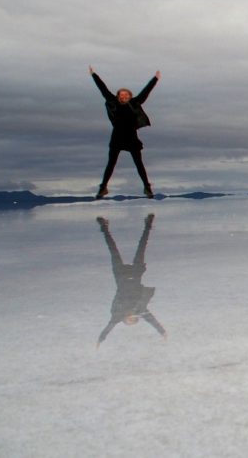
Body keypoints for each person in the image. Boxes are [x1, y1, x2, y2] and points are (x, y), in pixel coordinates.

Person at [96, 214, 167, 347]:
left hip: (120, 274)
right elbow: (152, 320)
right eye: (134, 318)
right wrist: (162, 331)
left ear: (124, 318)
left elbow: (109, 327)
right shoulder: (140, 310)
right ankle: (148, 225)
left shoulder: (117, 315)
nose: (132, 316)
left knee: (113, 250)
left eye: (130, 319)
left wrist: (101, 339)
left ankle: (104, 227)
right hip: (135, 274)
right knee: (142, 248)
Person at [90, 66, 160, 199]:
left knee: (139, 163)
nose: (123, 96)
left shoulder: (135, 103)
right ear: (118, 96)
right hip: (117, 137)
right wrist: (94, 75)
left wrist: (155, 79)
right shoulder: (113, 102)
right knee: (111, 163)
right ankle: (103, 188)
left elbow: (146, 91)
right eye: (121, 95)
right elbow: (103, 89)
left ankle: (147, 187)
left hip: (131, 137)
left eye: (126, 94)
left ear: (130, 96)